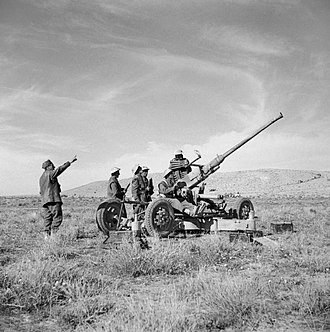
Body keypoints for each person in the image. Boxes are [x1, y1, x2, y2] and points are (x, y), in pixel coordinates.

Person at [39, 155, 77, 239]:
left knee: (47, 218)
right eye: (52, 165)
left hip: (45, 201)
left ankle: (46, 235)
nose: (54, 166)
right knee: (57, 217)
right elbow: (60, 169)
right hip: (53, 199)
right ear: (48, 166)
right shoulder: (50, 173)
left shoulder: (41, 177)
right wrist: (69, 162)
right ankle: (53, 236)